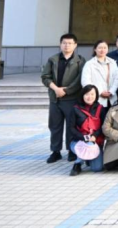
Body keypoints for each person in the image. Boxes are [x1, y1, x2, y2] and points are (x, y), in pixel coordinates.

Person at [42, 33, 87, 164]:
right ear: (60, 44)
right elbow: (45, 77)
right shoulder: (53, 59)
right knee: (55, 126)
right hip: (55, 99)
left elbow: (79, 80)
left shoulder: (80, 61)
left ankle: (71, 150)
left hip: (72, 98)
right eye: (64, 43)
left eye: (70, 43)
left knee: (71, 126)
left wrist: (66, 91)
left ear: (75, 45)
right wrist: (56, 89)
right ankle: (55, 151)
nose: (67, 45)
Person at [68, 84, 107, 176]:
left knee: (97, 168)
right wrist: (84, 137)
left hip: (95, 142)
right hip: (78, 142)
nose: (89, 97)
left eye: (92, 94)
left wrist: (95, 136)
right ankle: (78, 163)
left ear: (96, 95)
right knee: (87, 146)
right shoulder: (75, 109)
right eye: (87, 94)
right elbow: (71, 128)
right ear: (82, 95)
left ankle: (87, 158)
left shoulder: (100, 108)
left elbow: (104, 126)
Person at [81, 39, 118, 108]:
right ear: (95, 49)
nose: (102, 50)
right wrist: (100, 92)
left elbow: (117, 78)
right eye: (100, 48)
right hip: (97, 98)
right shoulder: (89, 64)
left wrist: (111, 91)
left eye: (105, 48)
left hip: (111, 98)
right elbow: (85, 81)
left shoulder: (112, 62)